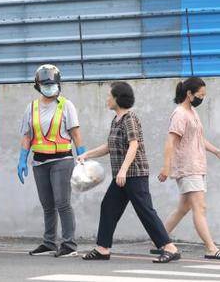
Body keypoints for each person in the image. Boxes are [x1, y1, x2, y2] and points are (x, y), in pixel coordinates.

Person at [79, 82, 180, 263]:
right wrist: (87, 154)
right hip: (122, 176)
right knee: (108, 206)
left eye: (110, 95)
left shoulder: (129, 118)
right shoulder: (116, 120)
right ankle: (103, 248)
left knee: (145, 210)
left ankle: (169, 247)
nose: (107, 98)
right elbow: (109, 146)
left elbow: (134, 145)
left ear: (118, 98)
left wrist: (123, 171)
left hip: (134, 174)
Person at [18, 64, 86, 257]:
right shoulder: (31, 107)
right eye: (45, 84)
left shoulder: (66, 105)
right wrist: (22, 159)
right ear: (38, 85)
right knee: (47, 205)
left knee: (62, 203)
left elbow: (75, 133)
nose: (49, 87)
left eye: (52, 84)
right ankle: (49, 243)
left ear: (58, 84)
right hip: (39, 162)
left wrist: (82, 156)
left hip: (62, 160)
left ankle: (69, 244)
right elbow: (26, 136)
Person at [157, 77, 220, 260]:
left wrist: (216, 151)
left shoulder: (192, 112)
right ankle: (211, 248)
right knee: (200, 207)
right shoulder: (179, 114)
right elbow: (170, 142)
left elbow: (198, 138)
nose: (202, 98)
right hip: (187, 167)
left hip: (197, 165)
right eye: (200, 95)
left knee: (183, 208)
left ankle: (159, 239)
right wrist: (166, 167)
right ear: (189, 94)